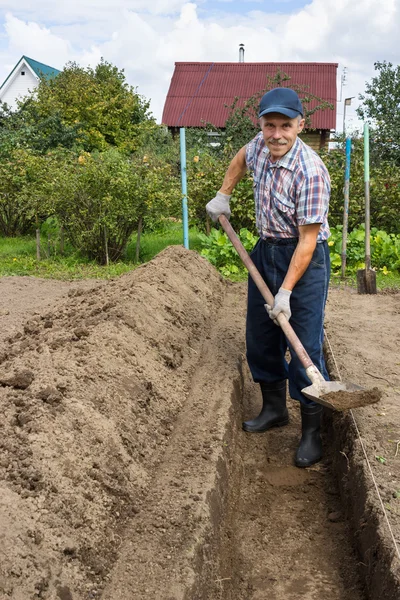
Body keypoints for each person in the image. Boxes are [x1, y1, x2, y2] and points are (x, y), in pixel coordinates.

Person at [206, 87, 331, 468]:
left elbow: (308, 242)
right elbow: (242, 157)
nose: (276, 134)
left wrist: (286, 292)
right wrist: (224, 192)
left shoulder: (311, 173)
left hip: (303, 260)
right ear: (260, 124)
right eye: (269, 125)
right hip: (265, 251)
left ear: (300, 126)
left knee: (303, 344)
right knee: (260, 337)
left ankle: (312, 432)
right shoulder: (259, 146)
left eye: (285, 126)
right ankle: (274, 408)